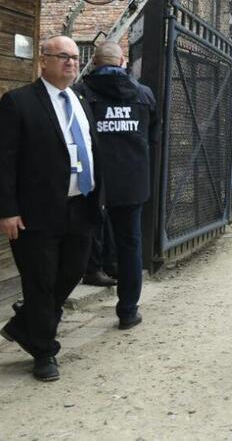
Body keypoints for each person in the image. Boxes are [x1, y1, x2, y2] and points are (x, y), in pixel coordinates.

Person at [0, 35, 103, 382]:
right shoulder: (18, 102)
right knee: (39, 281)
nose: (71, 62)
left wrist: (100, 197)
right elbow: (2, 161)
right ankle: (44, 352)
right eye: (62, 56)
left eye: (75, 57)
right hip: (35, 211)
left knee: (73, 271)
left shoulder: (80, 99)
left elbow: (91, 149)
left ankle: (24, 325)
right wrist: (6, 211)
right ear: (43, 61)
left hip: (80, 205)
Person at [75, 41, 159, 330]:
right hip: (132, 180)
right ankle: (127, 311)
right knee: (130, 245)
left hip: (91, 181)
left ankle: (57, 304)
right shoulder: (144, 94)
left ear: (94, 63)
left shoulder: (81, 94)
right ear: (123, 62)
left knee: (78, 239)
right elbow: (154, 135)